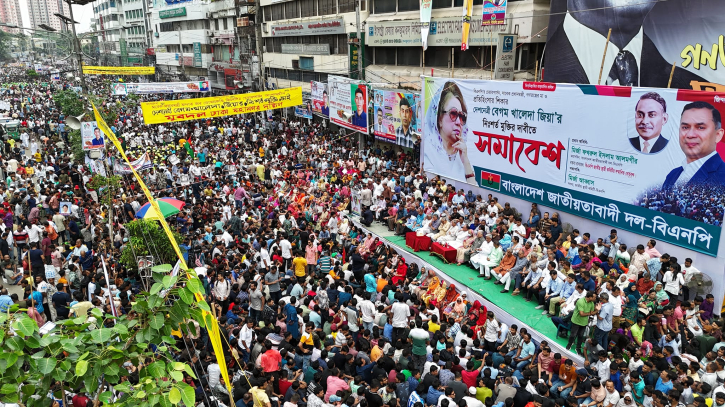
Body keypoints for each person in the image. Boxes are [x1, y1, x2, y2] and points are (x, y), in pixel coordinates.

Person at [662, 101, 725, 189]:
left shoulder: (722, 177)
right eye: (685, 127)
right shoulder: (673, 175)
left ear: (718, 135)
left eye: (700, 127)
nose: (690, 135)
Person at [423, 81, 476, 185]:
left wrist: (465, 160)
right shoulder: (429, 152)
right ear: (439, 119)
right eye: (453, 113)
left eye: (461, 116)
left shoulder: (463, 154)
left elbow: (475, 190)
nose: (458, 122)